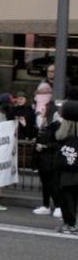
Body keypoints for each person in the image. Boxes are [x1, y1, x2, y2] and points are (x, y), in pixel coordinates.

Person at [54, 100, 78, 234]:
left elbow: (59, 136)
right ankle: (72, 222)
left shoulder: (67, 124)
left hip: (67, 169)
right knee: (74, 197)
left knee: (66, 197)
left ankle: (70, 223)